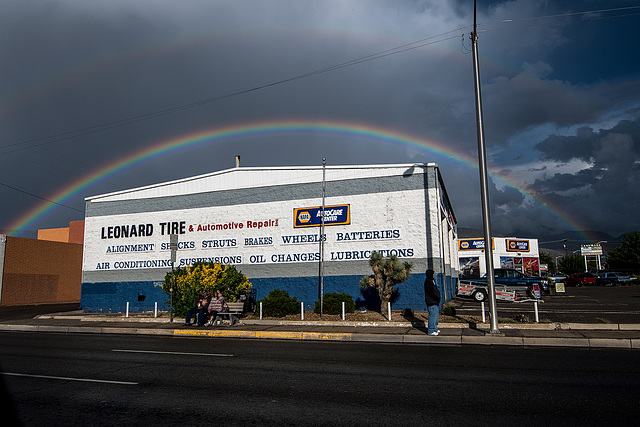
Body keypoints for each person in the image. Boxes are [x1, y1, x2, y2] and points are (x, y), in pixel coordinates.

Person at [424, 269, 441, 336]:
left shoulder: (432, 281)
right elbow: (431, 292)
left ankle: (435, 328)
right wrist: (437, 296)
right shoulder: (428, 282)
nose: (434, 275)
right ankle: (431, 330)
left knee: (436, 316)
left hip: (435, 301)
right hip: (432, 302)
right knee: (432, 316)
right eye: (433, 274)